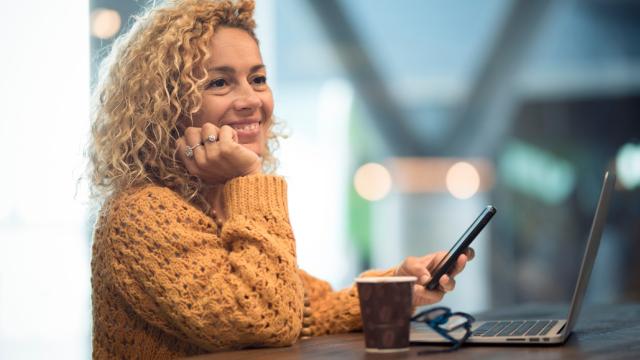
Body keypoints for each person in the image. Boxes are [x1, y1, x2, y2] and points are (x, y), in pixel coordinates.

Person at [88, 0, 473, 358]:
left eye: (257, 78)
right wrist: (248, 176)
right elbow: (264, 317)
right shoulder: (140, 215)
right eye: (219, 83)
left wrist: (398, 285)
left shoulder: (218, 204)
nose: (252, 100)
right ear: (167, 105)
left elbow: (304, 308)